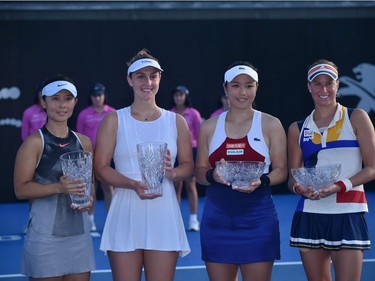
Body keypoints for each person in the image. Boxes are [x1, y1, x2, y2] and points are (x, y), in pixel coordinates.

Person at [95, 49, 193, 281]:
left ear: (160, 78)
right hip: (125, 211)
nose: (147, 82)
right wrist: (132, 184)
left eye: (153, 76)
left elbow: (189, 166)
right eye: (140, 76)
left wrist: (173, 172)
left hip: (164, 212)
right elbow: (100, 168)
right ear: (130, 80)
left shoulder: (177, 122)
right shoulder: (113, 120)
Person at [195, 61, 287, 281]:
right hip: (217, 221)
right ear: (225, 88)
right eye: (236, 85)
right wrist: (212, 176)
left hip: (258, 219)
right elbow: (199, 172)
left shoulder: (271, 124)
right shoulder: (209, 127)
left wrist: (262, 181)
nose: (242, 92)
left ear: (257, 88)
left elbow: (282, 171)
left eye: (249, 85)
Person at [287, 59, 375, 281]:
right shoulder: (297, 128)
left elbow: (372, 168)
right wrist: (299, 188)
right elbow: (292, 178)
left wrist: (338, 186)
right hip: (310, 214)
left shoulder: (356, 117)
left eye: (329, 83)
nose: (323, 89)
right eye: (317, 83)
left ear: (337, 85)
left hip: (348, 213)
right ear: (309, 87)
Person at [14, 74, 96, 280]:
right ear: (43, 101)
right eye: (55, 98)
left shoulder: (84, 142)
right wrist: (58, 188)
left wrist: (89, 200)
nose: (62, 105)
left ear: (75, 102)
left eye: (67, 98)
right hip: (45, 239)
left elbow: (90, 183)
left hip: (79, 236)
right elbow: (21, 189)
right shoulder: (34, 143)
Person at [76, 82, 116, 231]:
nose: (97, 98)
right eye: (94, 96)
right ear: (91, 97)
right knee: (91, 187)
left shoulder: (112, 113)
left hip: (108, 155)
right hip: (89, 155)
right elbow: (79, 137)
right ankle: (90, 219)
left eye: (100, 95)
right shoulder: (84, 114)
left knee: (108, 187)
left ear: (104, 96)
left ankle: (112, 220)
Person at [170, 85, 202, 231]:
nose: (178, 97)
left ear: (185, 96)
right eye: (176, 95)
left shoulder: (194, 113)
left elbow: (200, 134)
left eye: (181, 95)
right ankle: (175, 219)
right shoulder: (170, 114)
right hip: (175, 152)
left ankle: (193, 219)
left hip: (191, 150)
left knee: (190, 184)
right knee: (176, 185)